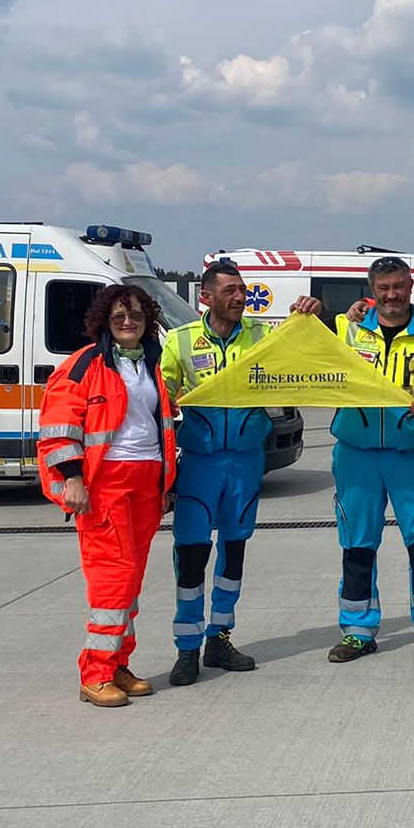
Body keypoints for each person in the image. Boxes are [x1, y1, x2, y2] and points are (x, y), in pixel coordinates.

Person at [157, 261, 322, 687]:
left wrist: (312, 318)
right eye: (230, 290)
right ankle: (187, 648)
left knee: (234, 555)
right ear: (206, 297)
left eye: (242, 289)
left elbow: (305, 360)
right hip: (200, 466)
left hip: (247, 464)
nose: (239, 296)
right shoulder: (180, 342)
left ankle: (219, 638)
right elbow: (160, 396)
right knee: (191, 557)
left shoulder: (262, 337)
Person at [38, 284, 178, 708]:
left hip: (146, 480)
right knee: (112, 576)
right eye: (119, 316)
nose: (128, 322)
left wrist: (164, 484)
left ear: (147, 318)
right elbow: (58, 426)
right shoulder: (84, 365)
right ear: (104, 321)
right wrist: (73, 479)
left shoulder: (151, 361)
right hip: (104, 483)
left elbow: (161, 424)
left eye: (135, 314)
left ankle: (118, 663)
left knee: (131, 579)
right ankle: (95, 673)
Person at [327, 256, 414, 665]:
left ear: (411, 286)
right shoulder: (346, 329)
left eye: (399, 287)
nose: (391, 296)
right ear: (371, 290)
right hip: (356, 453)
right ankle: (357, 629)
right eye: (383, 288)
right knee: (357, 544)